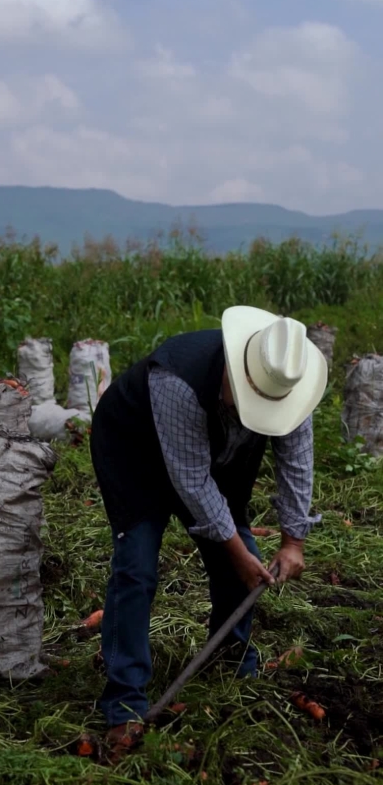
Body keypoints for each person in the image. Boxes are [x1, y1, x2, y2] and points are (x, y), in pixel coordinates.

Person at [90, 306, 328, 748]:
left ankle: (231, 661)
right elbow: (191, 481)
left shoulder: (289, 383)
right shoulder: (178, 378)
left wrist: (293, 540)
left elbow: (296, 462)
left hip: (217, 454)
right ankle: (124, 700)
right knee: (136, 567)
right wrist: (236, 551)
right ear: (236, 371)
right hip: (135, 453)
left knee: (240, 561)